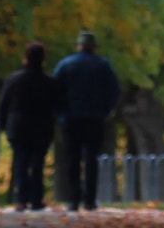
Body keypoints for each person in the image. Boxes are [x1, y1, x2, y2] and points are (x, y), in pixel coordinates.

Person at [50, 28, 121, 210]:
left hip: (71, 118)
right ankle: (89, 200)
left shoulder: (66, 64)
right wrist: (105, 110)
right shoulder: (103, 65)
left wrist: (60, 113)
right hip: (94, 118)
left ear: (79, 45)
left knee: (72, 159)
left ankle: (73, 200)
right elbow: (114, 91)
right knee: (91, 159)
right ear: (93, 47)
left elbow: (54, 90)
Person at [0, 41, 59, 210]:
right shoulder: (49, 82)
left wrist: (3, 125)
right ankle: (37, 199)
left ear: (25, 57)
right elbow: (58, 105)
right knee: (38, 163)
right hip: (42, 126)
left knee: (20, 161)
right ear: (43, 59)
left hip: (18, 127)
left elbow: (3, 104)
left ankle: (22, 199)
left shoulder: (14, 79)